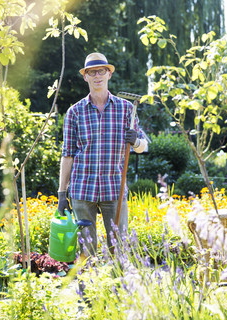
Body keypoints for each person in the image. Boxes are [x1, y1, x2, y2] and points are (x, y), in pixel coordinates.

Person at [57, 52, 147, 257]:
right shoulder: (75, 112)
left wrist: (136, 141)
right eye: (92, 72)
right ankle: (87, 287)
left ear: (109, 74)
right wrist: (62, 193)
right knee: (85, 251)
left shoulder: (125, 109)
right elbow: (67, 154)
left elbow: (143, 147)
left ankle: (117, 287)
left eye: (101, 71)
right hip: (82, 189)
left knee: (119, 248)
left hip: (114, 187)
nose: (97, 76)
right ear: (85, 77)